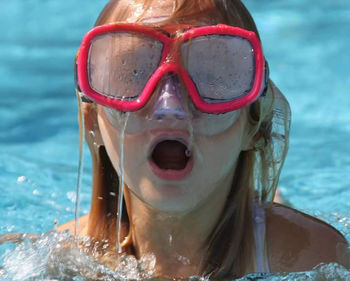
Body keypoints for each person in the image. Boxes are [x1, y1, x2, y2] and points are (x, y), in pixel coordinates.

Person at [59, 0, 349, 279]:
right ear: (90, 122)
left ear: (254, 126)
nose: (169, 109)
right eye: (133, 74)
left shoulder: (308, 256)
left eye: (212, 79)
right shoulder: (64, 257)